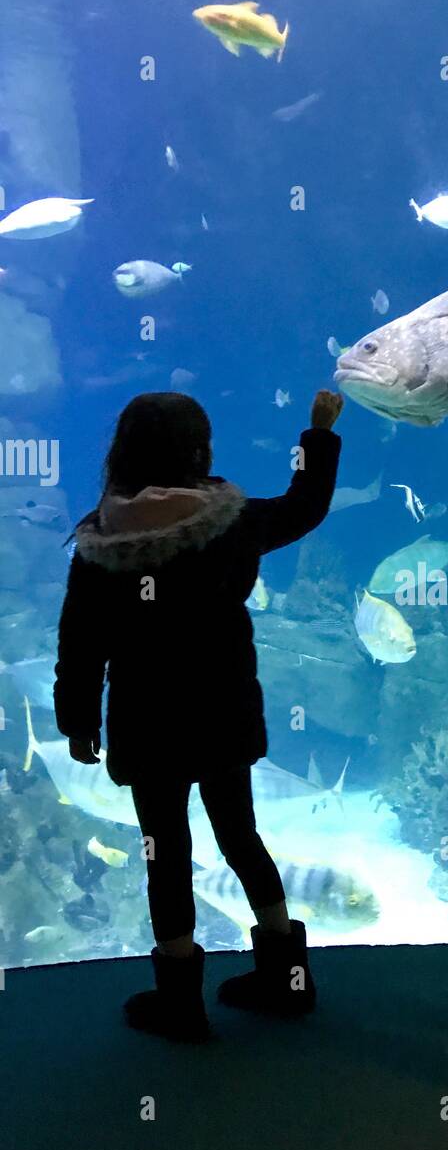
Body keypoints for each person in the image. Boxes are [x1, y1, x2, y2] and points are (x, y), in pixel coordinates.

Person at [54, 389, 343, 1041]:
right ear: (199, 450)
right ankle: (285, 979)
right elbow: (304, 508)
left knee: (166, 851)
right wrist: (318, 435)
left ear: (120, 453)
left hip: (145, 719)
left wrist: (78, 723)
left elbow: (80, 643)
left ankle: (180, 1004)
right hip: (222, 709)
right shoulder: (232, 521)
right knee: (240, 836)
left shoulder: (99, 542)